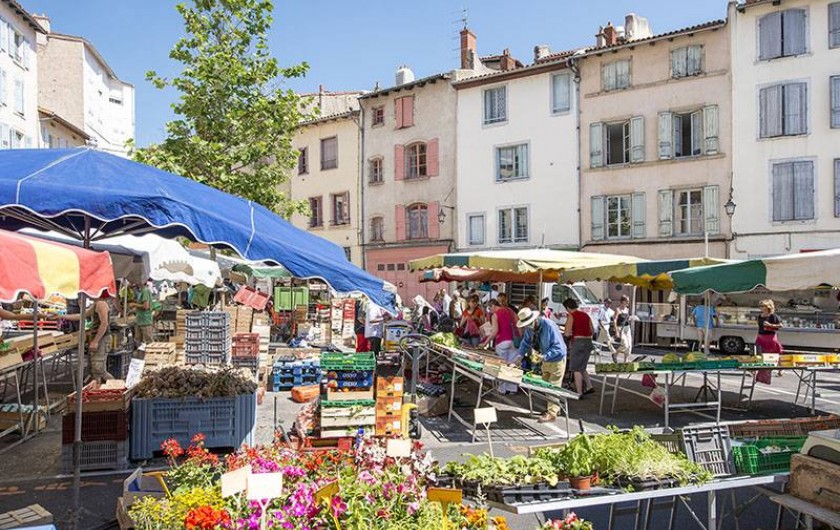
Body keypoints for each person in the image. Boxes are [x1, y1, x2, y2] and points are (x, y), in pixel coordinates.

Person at [517, 307, 568, 423]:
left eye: (528, 324)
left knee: (553, 386)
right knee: (546, 385)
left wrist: (544, 356)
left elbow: (559, 347)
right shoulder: (531, 329)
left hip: (557, 359)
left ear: (534, 320)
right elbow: (525, 342)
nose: (527, 326)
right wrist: (519, 357)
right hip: (545, 359)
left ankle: (552, 414)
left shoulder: (549, 325)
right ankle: (555, 409)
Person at [64, 297, 114, 382]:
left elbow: (104, 324)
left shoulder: (100, 304)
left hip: (102, 339)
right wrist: (61, 316)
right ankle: (97, 390)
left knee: (99, 370)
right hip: (99, 338)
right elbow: (81, 315)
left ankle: (116, 387)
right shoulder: (96, 304)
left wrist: (95, 341)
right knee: (95, 371)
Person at [481, 299, 520, 394]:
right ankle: (512, 389)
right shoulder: (510, 310)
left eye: (490, 309)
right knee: (512, 366)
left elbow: (494, 332)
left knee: (501, 366)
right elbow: (519, 324)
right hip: (514, 341)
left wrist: (485, 343)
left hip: (502, 341)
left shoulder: (495, 315)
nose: (490, 311)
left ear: (493, 306)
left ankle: (502, 389)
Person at [563, 299, 595, 397]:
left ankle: (579, 393)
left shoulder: (571, 316)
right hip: (588, 342)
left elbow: (567, 333)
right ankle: (589, 386)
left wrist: (569, 334)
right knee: (582, 367)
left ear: (568, 308)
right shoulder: (586, 315)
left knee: (576, 368)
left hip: (577, 342)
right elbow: (592, 330)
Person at [130, 279, 154, 345]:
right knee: (138, 340)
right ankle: (140, 354)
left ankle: (150, 354)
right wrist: (134, 309)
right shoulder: (141, 291)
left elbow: (145, 306)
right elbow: (141, 305)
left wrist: (134, 304)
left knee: (148, 341)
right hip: (139, 320)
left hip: (145, 320)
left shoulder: (145, 291)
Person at [613, 295, 633, 362]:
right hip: (620, 328)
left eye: (628, 301)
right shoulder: (618, 309)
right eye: (627, 301)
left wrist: (631, 318)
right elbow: (614, 320)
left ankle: (625, 361)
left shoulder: (627, 309)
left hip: (627, 328)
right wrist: (616, 331)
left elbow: (626, 319)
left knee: (629, 346)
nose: (628, 302)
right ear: (623, 301)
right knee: (625, 345)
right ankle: (615, 354)